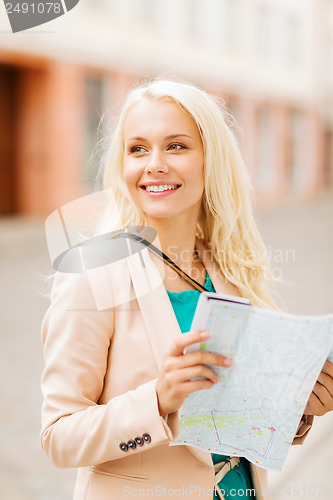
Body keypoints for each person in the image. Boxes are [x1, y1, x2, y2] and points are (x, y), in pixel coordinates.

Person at [41, 80, 332, 500]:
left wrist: (299, 407)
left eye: (176, 146)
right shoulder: (92, 274)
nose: (153, 164)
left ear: (210, 160)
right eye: (138, 149)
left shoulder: (230, 268)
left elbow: (235, 425)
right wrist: (159, 400)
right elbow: (59, 437)